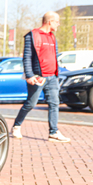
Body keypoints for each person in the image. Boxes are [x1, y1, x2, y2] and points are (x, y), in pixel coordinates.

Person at [12, 12, 70, 143]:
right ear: (50, 22)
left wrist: (57, 73)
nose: (59, 24)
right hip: (37, 77)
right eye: (57, 22)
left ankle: (53, 132)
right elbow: (26, 57)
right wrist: (29, 75)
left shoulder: (52, 37)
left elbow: (54, 56)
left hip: (52, 77)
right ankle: (16, 125)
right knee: (31, 103)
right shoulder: (32, 35)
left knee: (54, 104)